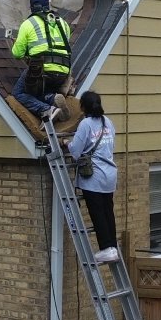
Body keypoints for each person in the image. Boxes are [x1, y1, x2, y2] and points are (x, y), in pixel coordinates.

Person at [63, 90, 119, 264]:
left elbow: (76, 152)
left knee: (97, 214)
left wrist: (66, 143)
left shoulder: (86, 124)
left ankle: (106, 249)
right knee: (108, 212)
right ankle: (113, 247)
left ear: (83, 107)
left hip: (93, 177)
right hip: (109, 175)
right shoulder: (107, 122)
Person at [11, 0, 73, 123]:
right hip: (63, 70)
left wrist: (20, 44)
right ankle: (52, 98)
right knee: (40, 90)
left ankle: (47, 109)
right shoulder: (63, 23)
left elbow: (17, 54)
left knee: (19, 92)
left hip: (42, 70)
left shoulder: (28, 24)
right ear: (48, 6)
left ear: (32, 7)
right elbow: (60, 45)